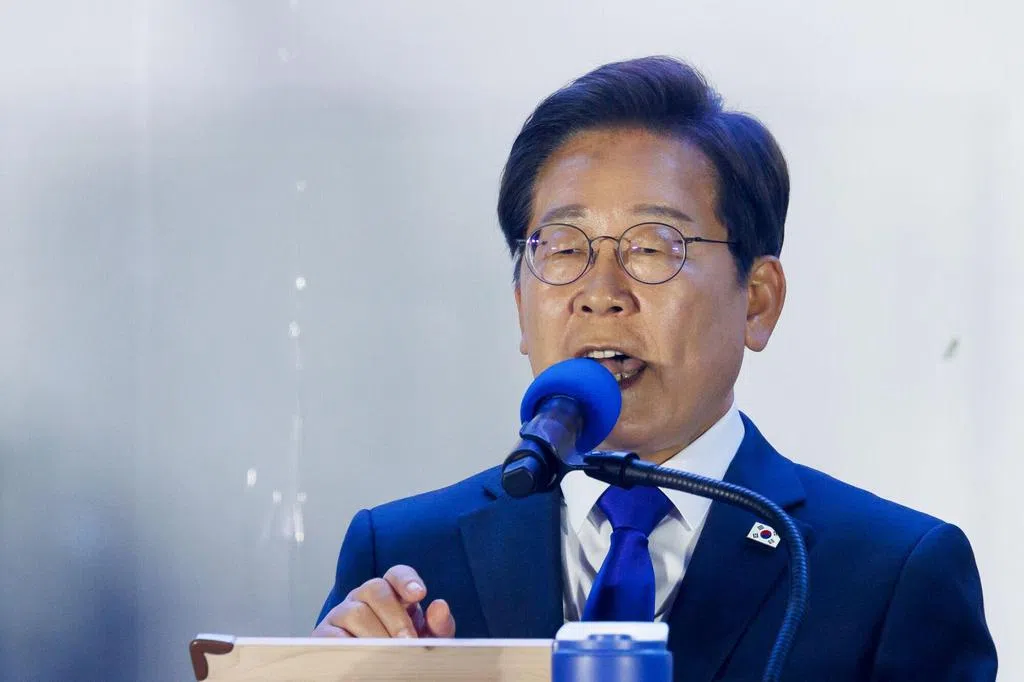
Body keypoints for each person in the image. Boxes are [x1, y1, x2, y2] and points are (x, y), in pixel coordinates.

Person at [312, 56, 997, 680]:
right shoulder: (404, 560)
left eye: (651, 247)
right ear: (521, 304)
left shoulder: (890, 573)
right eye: (563, 248)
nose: (600, 293)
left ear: (758, 301)